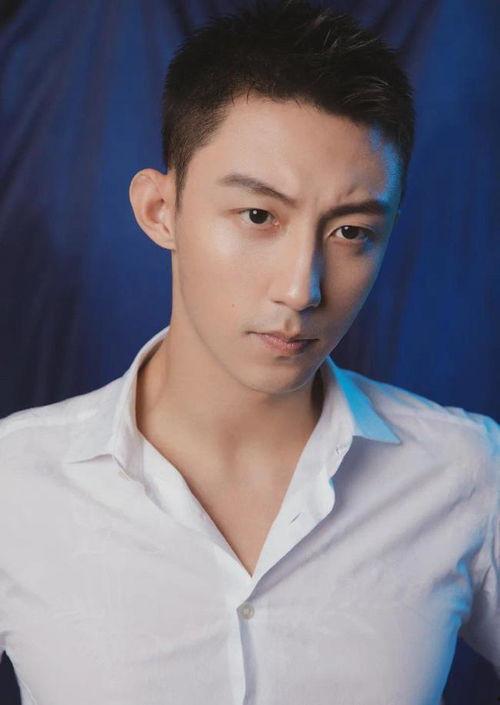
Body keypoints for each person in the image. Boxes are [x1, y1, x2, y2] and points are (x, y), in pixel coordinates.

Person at [0, 0, 498, 703]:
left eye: (351, 232)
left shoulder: (466, 472)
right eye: (259, 215)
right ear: (160, 210)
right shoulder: (15, 482)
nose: (302, 288)